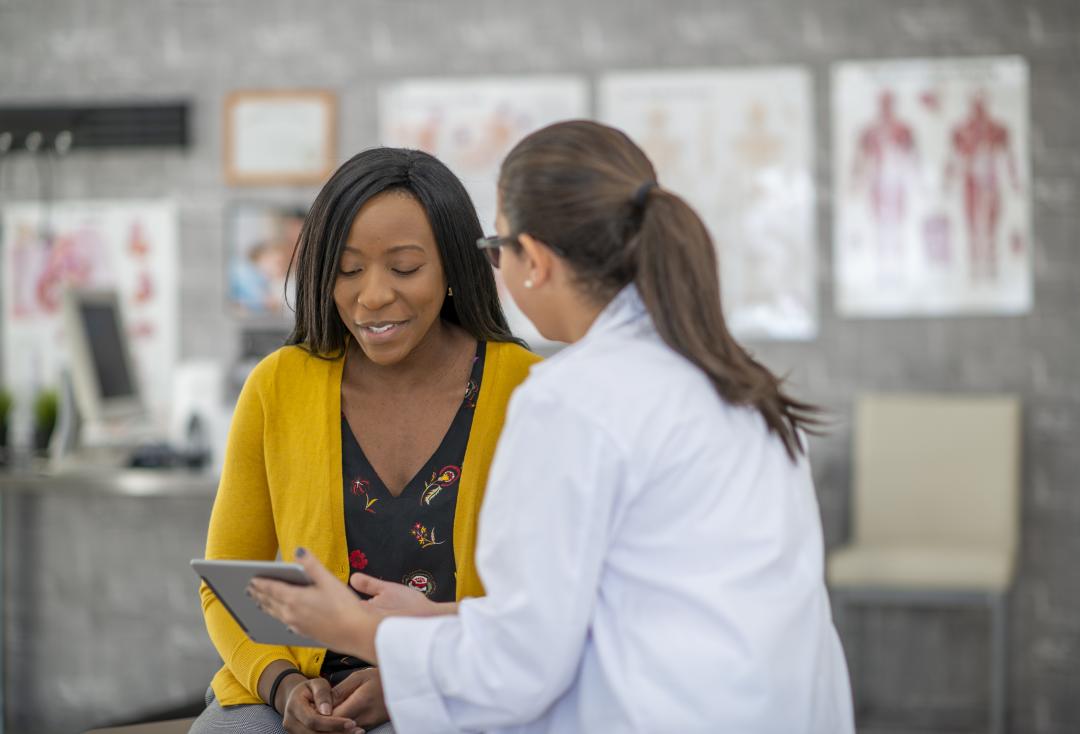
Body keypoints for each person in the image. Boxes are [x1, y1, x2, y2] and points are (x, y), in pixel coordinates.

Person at [250, 121, 855, 733]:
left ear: (532, 261)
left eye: (497, 251)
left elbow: (513, 673)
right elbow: (631, 600)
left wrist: (356, 629)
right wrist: (440, 618)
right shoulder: (740, 383)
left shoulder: (566, 401)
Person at [192, 148, 539, 734]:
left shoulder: (526, 390)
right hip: (295, 685)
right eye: (348, 270)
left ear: (454, 267)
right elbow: (226, 584)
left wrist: (412, 676)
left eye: (404, 268)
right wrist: (283, 687)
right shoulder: (277, 385)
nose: (372, 295)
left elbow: (542, 603)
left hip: (458, 678)